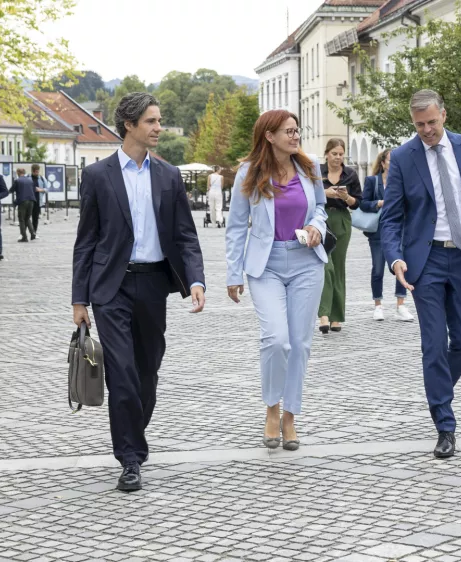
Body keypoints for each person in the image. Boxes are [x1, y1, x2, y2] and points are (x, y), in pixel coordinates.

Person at [72, 92, 206, 492]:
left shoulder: (168, 175)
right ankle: (130, 457)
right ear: (129, 125)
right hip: (110, 287)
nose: (159, 127)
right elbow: (86, 241)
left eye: (159, 120)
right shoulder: (98, 176)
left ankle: (132, 435)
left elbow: (186, 235)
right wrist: (79, 299)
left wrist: (196, 280)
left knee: (147, 372)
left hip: (152, 285)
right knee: (123, 375)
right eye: (151, 121)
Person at [379, 89, 461, 459]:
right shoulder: (404, 158)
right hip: (427, 262)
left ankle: (436, 388)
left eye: (432, 123)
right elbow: (391, 218)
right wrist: (395, 258)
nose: (427, 131)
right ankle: (445, 425)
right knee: (433, 344)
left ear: (444, 116)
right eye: (420, 125)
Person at [225, 109, 327, 452]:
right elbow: (237, 226)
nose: (295, 136)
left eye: (297, 130)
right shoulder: (249, 173)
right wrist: (233, 273)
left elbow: (321, 209)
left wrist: (317, 226)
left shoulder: (309, 167)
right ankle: (271, 407)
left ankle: (290, 417)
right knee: (276, 339)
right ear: (269, 136)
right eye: (289, 131)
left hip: (306, 263)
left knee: (300, 343)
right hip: (265, 266)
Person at [359, 148, 414, 322]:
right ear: (383, 163)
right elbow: (363, 204)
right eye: (390, 159)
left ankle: (401, 304)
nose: (394, 162)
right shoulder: (372, 181)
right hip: (377, 231)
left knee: (402, 266)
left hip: (400, 230)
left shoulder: (403, 181)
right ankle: (378, 305)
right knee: (377, 269)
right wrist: (379, 203)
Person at [317, 139, 361, 333]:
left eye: (341, 154)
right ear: (327, 154)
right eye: (334, 153)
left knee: (338, 267)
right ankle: (324, 314)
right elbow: (307, 195)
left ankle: (337, 317)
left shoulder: (350, 174)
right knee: (325, 266)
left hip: (342, 219)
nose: (338, 157)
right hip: (321, 219)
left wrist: (346, 197)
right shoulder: (317, 172)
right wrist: (325, 193)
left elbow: (357, 203)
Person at [8, 167, 36, 242]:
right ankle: (33, 233)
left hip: (23, 202)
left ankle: (24, 237)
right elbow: (33, 190)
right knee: (27, 218)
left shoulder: (17, 181)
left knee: (22, 220)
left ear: (18, 173)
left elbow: (11, 190)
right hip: (31, 201)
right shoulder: (30, 180)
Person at [30, 164, 47, 239]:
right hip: (29, 201)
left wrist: (40, 190)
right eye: (35, 172)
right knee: (26, 218)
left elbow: (47, 189)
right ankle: (28, 232)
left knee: (35, 218)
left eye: (37, 171)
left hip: (37, 201)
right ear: (32, 171)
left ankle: (34, 233)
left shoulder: (42, 178)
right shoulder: (28, 178)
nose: (37, 173)